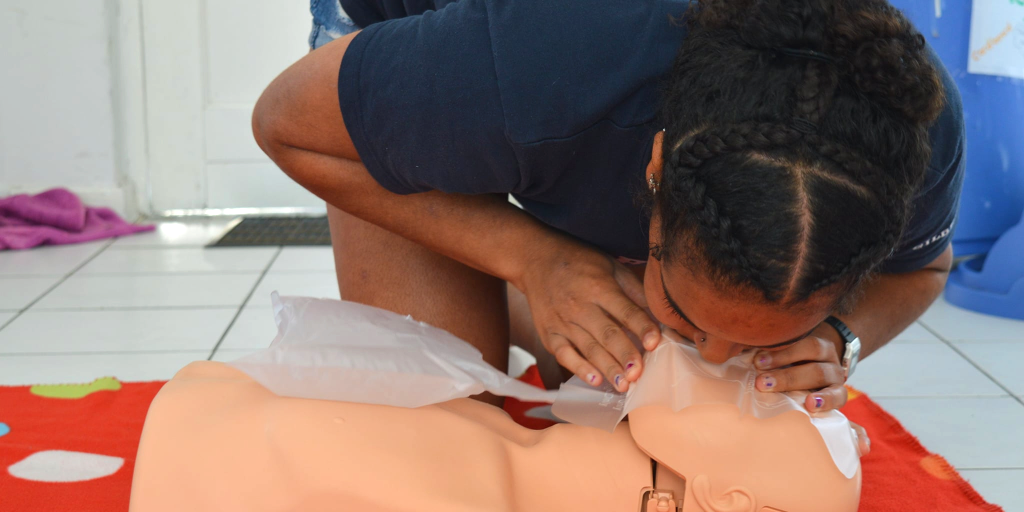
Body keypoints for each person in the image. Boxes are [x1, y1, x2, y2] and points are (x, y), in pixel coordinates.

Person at [252, 0, 964, 411]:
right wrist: (534, 258)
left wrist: (840, 336)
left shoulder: (909, 126)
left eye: (757, 343)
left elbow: (924, 270)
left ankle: (536, 312)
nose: (714, 359)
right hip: (419, 48)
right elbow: (287, 128)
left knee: (619, 398)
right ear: (653, 170)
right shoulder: (534, 68)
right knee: (441, 417)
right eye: (685, 315)